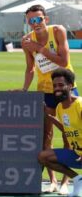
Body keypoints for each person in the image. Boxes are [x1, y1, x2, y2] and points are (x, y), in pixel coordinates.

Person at [19, 4, 79, 194]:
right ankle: (52, 181)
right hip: (44, 91)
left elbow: (63, 61)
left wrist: (39, 48)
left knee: (69, 134)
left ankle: (65, 182)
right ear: (28, 22)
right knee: (46, 135)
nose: (35, 23)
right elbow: (30, 68)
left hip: (66, 90)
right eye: (31, 20)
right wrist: (24, 89)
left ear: (46, 19)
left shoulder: (58, 31)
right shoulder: (26, 41)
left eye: (38, 19)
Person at [38, 68, 82, 197]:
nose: (57, 88)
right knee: (43, 157)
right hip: (77, 154)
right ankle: (78, 179)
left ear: (71, 86)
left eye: (61, 85)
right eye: (55, 85)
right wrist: (50, 117)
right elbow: (67, 129)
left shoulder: (79, 105)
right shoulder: (60, 107)